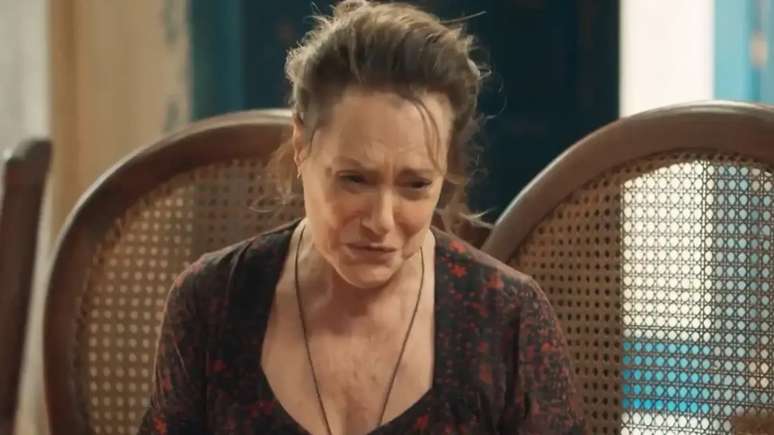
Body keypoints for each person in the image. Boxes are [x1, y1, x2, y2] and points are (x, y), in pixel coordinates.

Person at [139, 1, 584, 434]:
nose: (382, 221)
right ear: (301, 145)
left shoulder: (507, 318)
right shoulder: (211, 302)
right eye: (354, 179)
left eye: (415, 185)